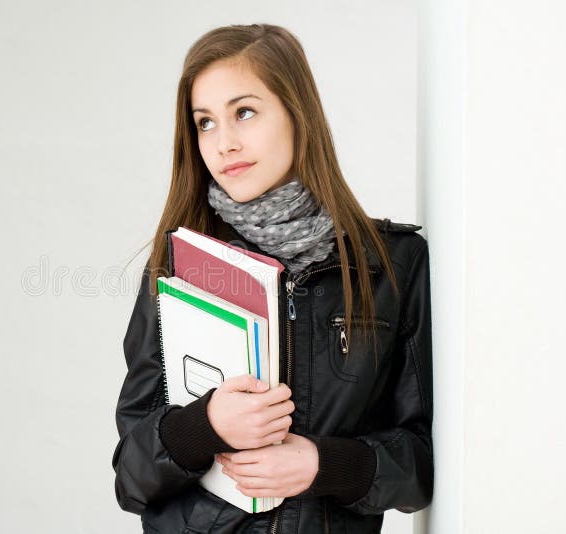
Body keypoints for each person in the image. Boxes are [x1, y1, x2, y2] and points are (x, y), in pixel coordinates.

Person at [111, 23, 433, 534]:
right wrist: (207, 425)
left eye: (244, 112)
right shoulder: (179, 265)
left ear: (296, 114)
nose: (225, 143)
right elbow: (130, 478)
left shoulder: (393, 265)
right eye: (205, 123)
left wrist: (321, 465)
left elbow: (422, 462)